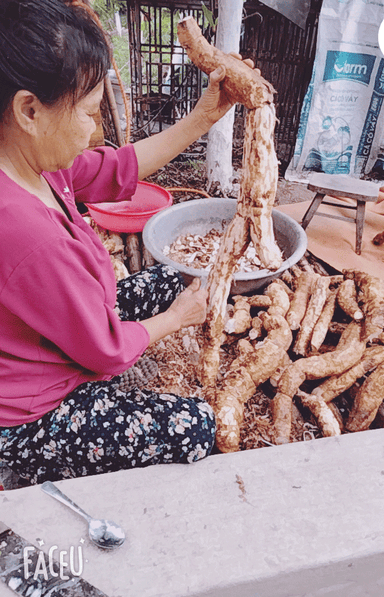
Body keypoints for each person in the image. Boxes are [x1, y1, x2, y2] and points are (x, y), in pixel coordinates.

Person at [0, 0, 255, 485]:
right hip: (29, 410)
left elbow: (120, 167)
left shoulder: (33, 164)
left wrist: (206, 115)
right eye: (89, 113)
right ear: (29, 110)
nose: (96, 130)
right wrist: (178, 319)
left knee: (165, 278)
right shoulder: (27, 234)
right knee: (196, 426)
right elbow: (105, 351)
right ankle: (24, 462)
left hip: (55, 336)